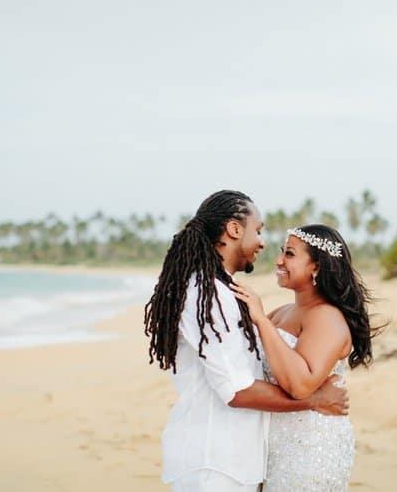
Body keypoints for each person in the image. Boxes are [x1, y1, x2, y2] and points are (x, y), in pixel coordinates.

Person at [143, 192, 348, 492]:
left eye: (288, 253)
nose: (263, 244)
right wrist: (314, 400)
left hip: (240, 460)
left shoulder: (227, 291)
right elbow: (237, 389)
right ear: (235, 230)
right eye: (259, 230)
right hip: (214, 461)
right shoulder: (207, 293)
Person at [231, 224, 379, 491]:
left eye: (289, 254)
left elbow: (299, 385)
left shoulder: (326, 316)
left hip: (312, 449)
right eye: (281, 252)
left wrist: (261, 321)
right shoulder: (284, 312)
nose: (278, 260)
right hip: (277, 444)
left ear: (317, 267)